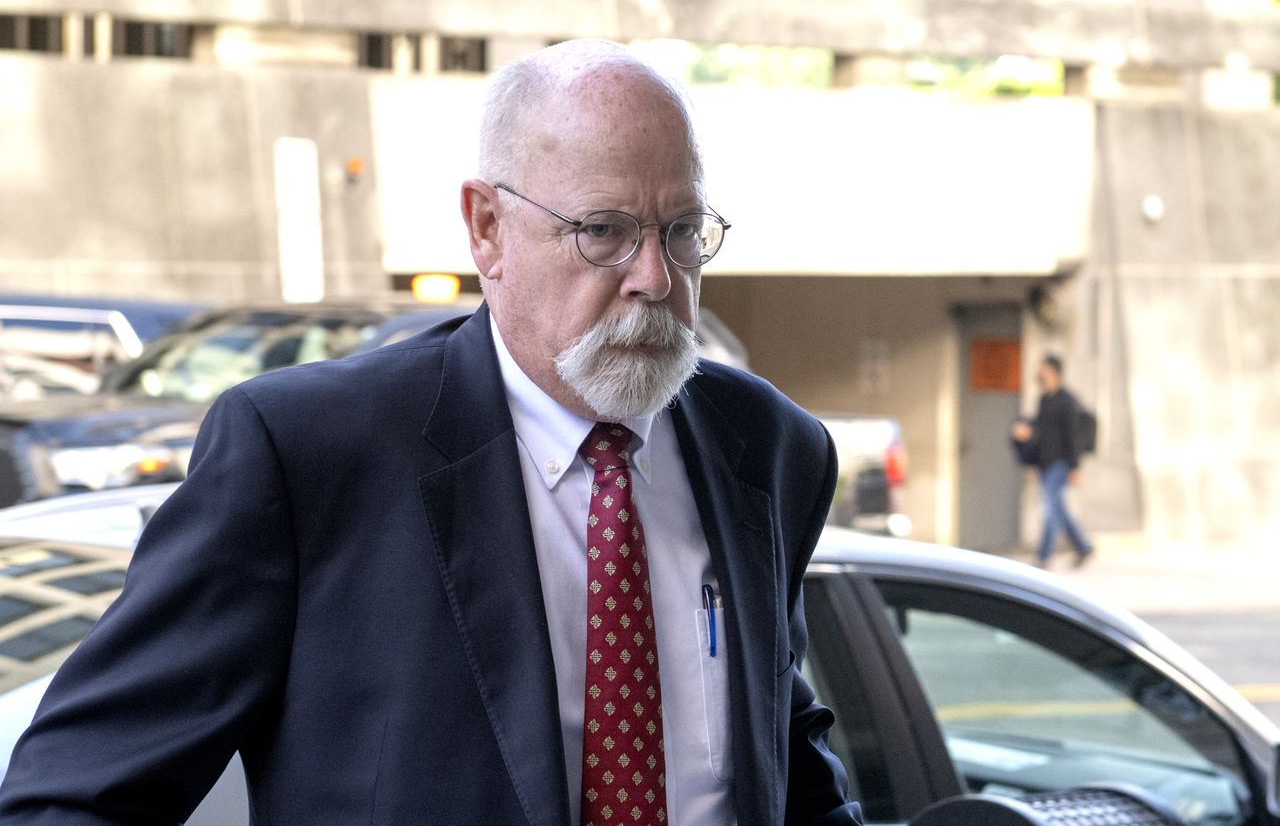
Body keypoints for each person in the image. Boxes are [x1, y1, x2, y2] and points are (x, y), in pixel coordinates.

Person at [0, 40, 863, 825]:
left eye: (681, 231)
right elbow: (72, 797)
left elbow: (775, 752)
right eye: (604, 232)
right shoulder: (307, 453)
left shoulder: (772, 448)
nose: (654, 277)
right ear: (487, 228)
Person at [1011, 354, 1094, 569]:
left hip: (1061, 462)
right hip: (1045, 462)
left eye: (1042, 368)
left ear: (1053, 371)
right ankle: (1083, 546)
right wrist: (1027, 431)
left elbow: (1072, 436)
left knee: (1049, 507)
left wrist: (1075, 467)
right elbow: (1040, 429)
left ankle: (1044, 555)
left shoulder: (1066, 400)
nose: (1039, 373)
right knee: (1058, 508)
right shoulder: (1044, 399)